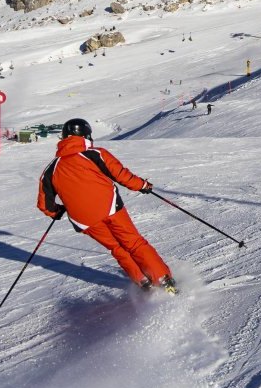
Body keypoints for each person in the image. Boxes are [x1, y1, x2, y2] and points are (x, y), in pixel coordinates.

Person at [37, 119, 175, 292]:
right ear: (86, 135)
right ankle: (163, 281)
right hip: (110, 208)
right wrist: (142, 185)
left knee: (117, 248)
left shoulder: (51, 169)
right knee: (133, 243)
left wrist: (56, 212)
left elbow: (45, 204)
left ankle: (143, 281)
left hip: (84, 220)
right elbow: (120, 174)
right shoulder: (94, 154)